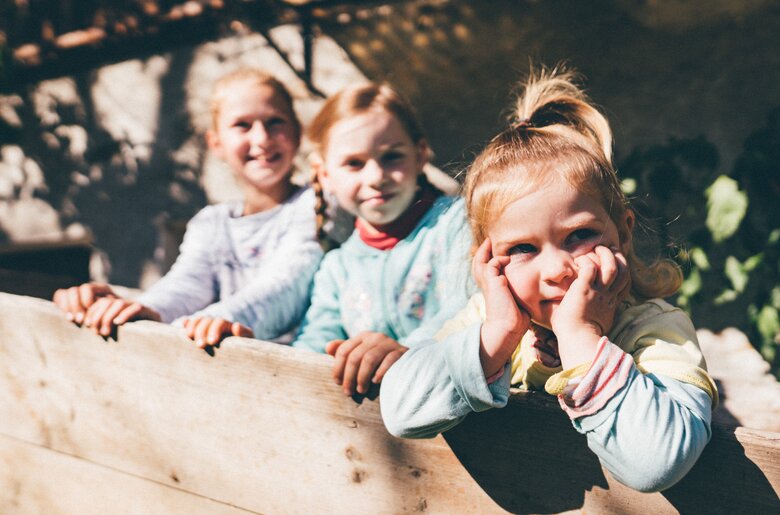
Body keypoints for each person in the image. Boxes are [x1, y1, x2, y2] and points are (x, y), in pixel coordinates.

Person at [379, 68, 718, 493]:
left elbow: (655, 463)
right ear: (488, 262)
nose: (558, 269)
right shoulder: (493, 321)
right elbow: (401, 412)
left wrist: (581, 335)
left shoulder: (654, 330)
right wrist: (498, 335)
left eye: (579, 235)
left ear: (624, 232)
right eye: (523, 248)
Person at [53, 69, 323, 348]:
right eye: (242, 125)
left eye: (275, 122)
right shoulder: (210, 222)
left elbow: (286, 283)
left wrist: (212, 320)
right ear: (216, 143)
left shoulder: (316, 203)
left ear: (298, 132)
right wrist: (143, 309)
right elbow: (187, 284)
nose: (262, 138)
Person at [292, 82, 472, 397]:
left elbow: (470, 307)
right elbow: (316, 340)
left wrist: (406, 352)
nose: (376, 177)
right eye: (354, 163)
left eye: (391, 157)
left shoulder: (458, 224)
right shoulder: (337, 268)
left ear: (420, 155)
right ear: (324, 174)